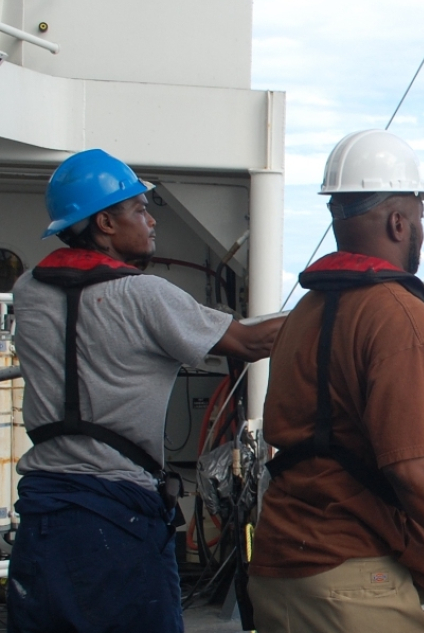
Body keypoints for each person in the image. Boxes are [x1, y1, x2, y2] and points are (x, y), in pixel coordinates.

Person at [249, 130, 424, 633]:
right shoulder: (399, 316)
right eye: (420, 217)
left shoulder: (305, 312)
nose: (421, 229)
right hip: (351, 581)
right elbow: (413, 472)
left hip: (281, 569)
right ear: (399, 222)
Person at [6, 148, 283, 632]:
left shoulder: (30, 289)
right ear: (106, 223)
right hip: (116, 515)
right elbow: (251, 342)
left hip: (43, 511)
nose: (152, 221)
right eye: (139, 209)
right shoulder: (144, 296)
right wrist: (334, 307)